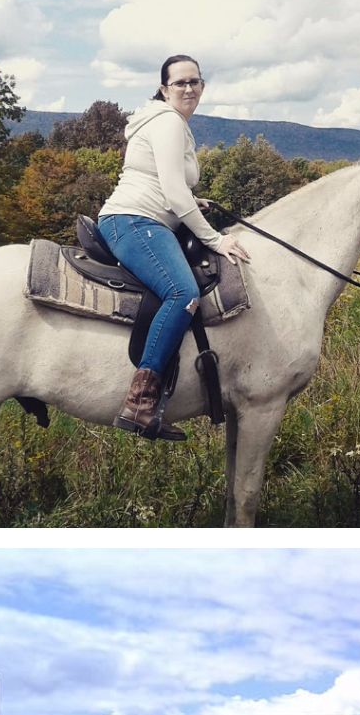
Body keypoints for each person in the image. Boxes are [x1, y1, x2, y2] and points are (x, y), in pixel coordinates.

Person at [97, 54, 250, 440]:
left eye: (195, 82)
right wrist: (215, 238)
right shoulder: (167, 122)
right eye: (180, 83)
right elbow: (172, 192)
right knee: (182, 291)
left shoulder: (171, 122)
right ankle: (140, 403)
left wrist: (189, 202)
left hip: (147, 218)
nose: (189, 89)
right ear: (164, 89)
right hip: (135, 221)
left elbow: (171, 188)